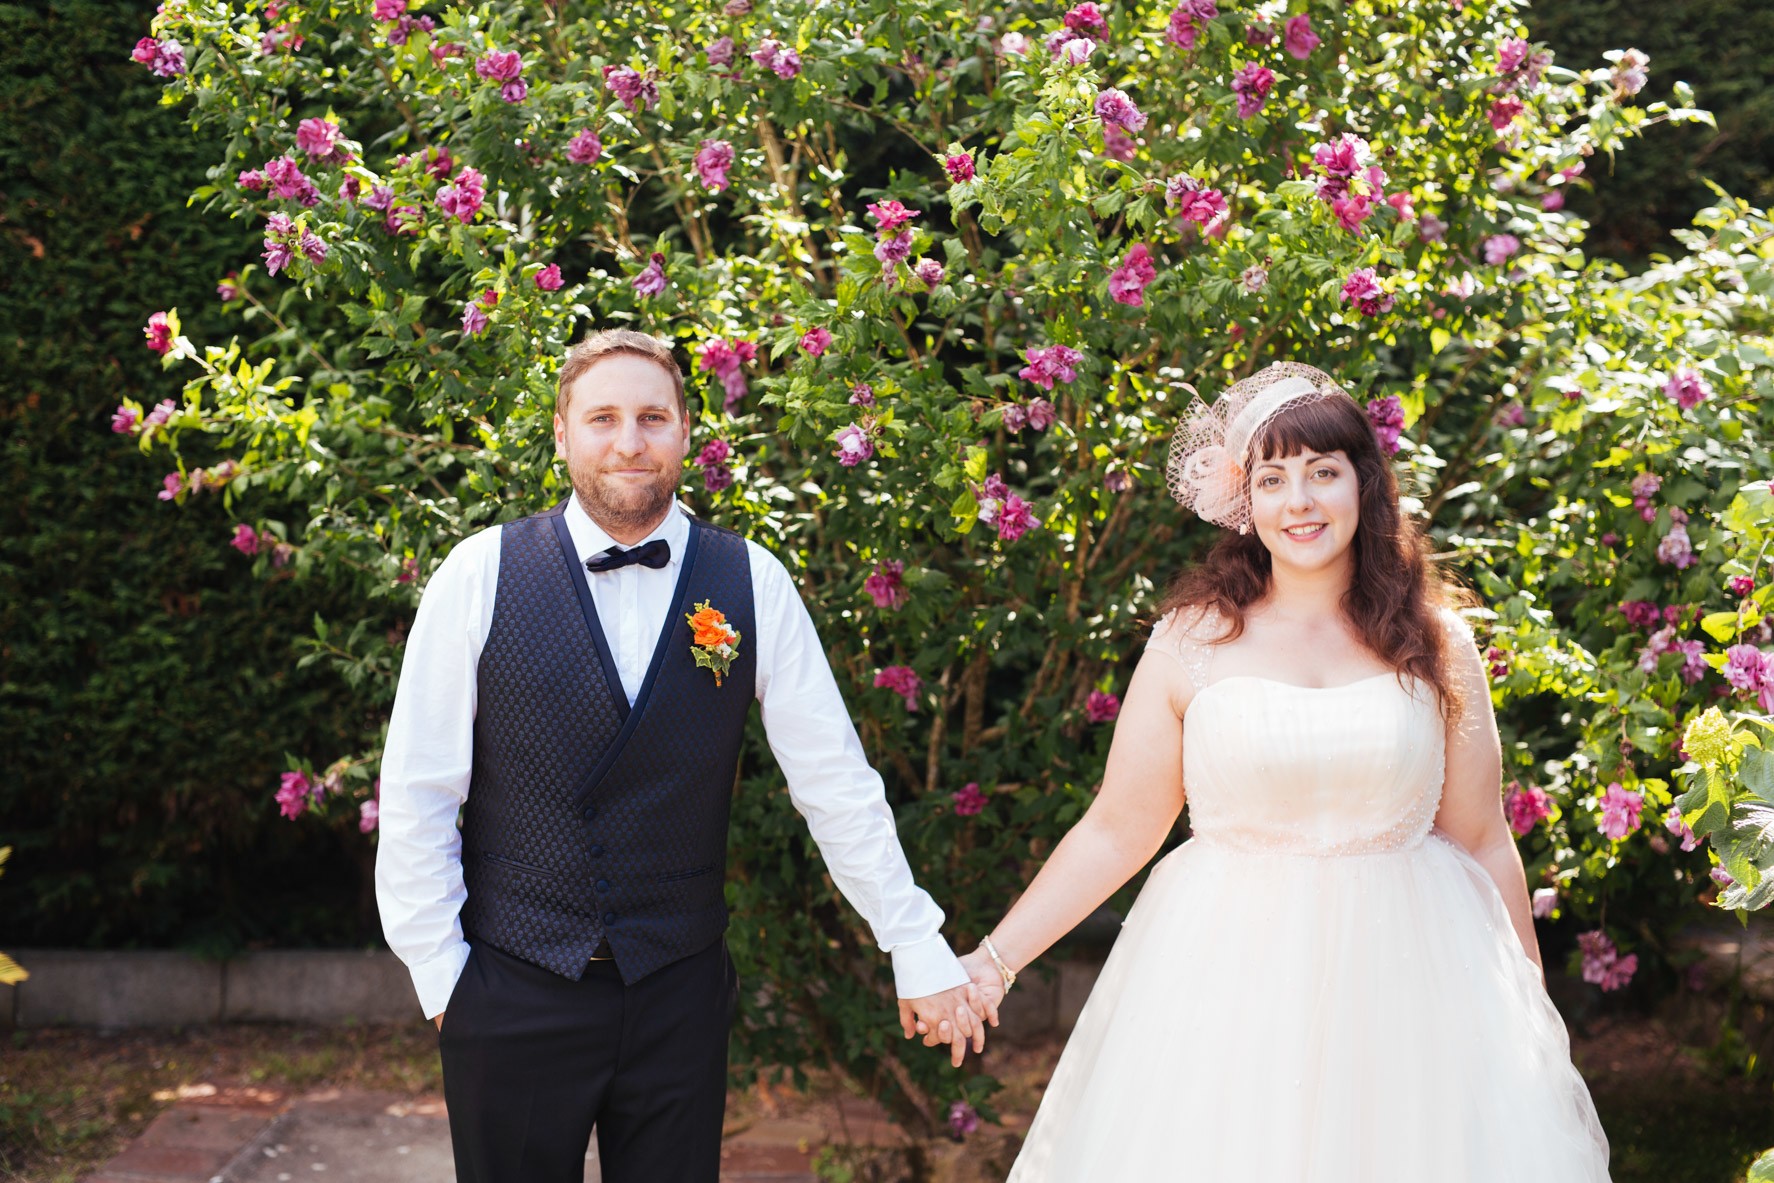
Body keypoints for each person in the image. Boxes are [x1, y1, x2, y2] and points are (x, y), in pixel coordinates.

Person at [952, 362, 1611, 1180]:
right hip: (1229, 993)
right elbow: (1120, 827)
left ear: (1363, 486)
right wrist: (992, 962)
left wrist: (1533, 1021)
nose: (1299, 501)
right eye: (1273, 477)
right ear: (1246, 501)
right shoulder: (1192, 641)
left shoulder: (1437, 642)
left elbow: (1482, 839)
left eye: (1322, 472)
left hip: (1410, 995)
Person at [374, 328, 984, 1183]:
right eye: (604, 418)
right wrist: (445, 981)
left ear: (686, 432)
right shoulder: (479, 574)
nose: (629, 441)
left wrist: (914, 941)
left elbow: (835, 782)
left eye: (652, 417)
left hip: (678, 991)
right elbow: (419, 791)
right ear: (562, 433)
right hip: (513, 987)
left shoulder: (752, 580)